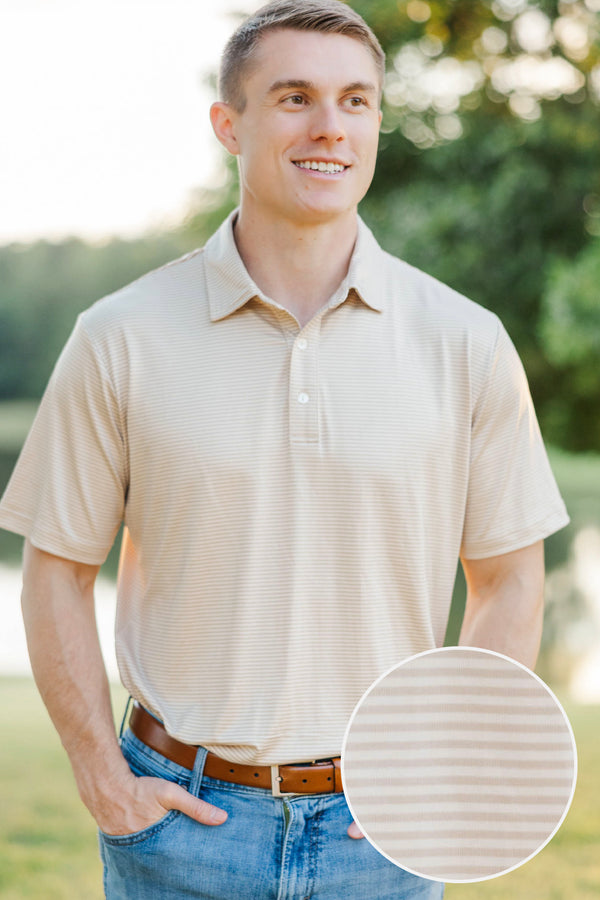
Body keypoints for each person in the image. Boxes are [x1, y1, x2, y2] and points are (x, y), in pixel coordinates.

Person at [0, 1, 569, 898]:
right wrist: (101, 778)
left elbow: (508, 577)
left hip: (381, 833)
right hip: (181, 829)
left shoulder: (466, 342)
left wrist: (444, 766)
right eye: (295, 97)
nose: (329, 128)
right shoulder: (121, 337)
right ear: (230, 124)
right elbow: (57, 569)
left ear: (379, 122)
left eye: (355, 101)